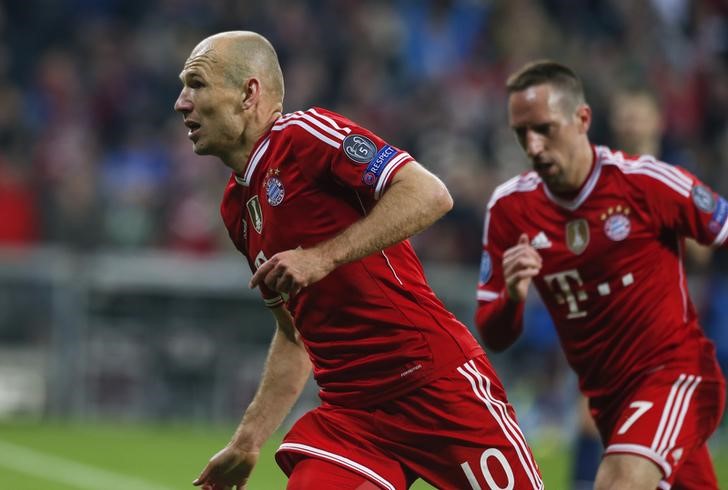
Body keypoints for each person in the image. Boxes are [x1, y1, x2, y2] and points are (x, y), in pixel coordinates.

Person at [174, 31, 542, 490]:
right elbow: (294, 337)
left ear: (249, 93)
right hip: (354, 417)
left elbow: (429, 193)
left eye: (197, 84)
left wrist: (322, 258)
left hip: (433, 383)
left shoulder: (305, 135)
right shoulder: (236, 209)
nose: (181, 103)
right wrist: (248, 440)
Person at [475, 60, 726, 490]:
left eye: (545, 129)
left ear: (582, 119)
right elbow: (494, 333)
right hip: (608, 402)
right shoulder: (508, 209)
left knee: (617, 482)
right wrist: (514, 297)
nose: (533, 146)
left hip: (674, 374)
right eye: (521, 134)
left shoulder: (646, 182)